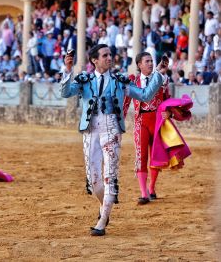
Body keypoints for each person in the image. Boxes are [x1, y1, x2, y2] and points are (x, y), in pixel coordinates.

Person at [60, 44, 168, 236]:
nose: (109, 58)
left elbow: (144, 95)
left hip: (111, 128)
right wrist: (68, 70)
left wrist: (158, 74)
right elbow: (66, 92)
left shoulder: (119, 81)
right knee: (94, 180)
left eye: (110, 55)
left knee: (110, 176)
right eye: (105, 55)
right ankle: (104, 205)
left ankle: (103, 220)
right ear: (94, 60)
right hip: (90, 130)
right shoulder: (85, 80)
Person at [123, 52, 170, 205]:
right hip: (141, 121)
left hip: (157, 120)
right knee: (141, 156)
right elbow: (125, 104)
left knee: (155, 155)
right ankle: (143, 193)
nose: (150, 63)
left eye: (151, 61)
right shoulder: (132, 81)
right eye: (147, 61)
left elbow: (167, 100)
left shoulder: (162, 79)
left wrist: (169, 112)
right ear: (139, 65)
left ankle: (151, 187)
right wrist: (118, 124)